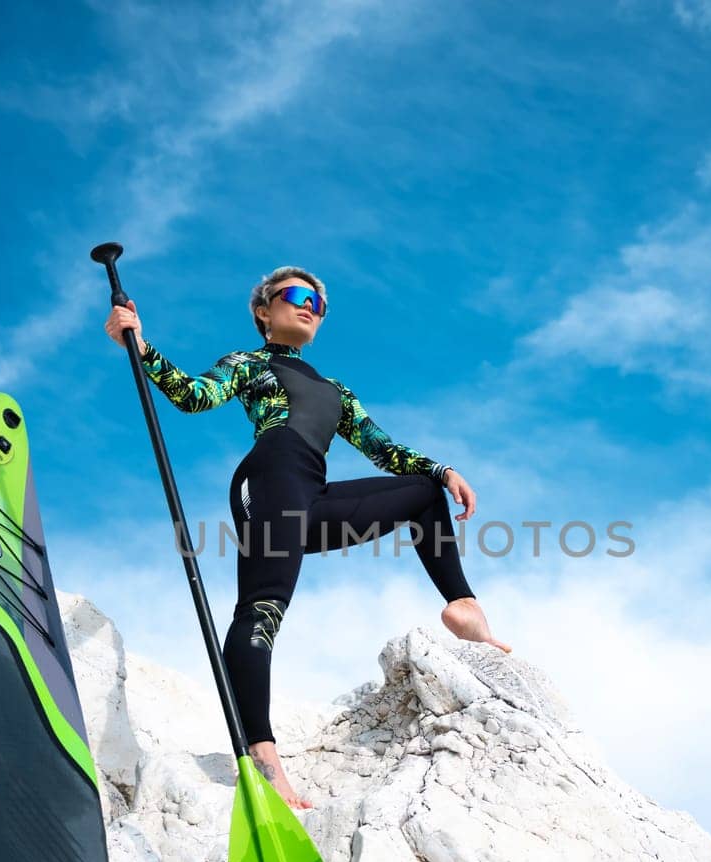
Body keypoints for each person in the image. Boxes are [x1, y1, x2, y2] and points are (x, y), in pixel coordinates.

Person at [104, 266, 511, 809]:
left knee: (420, 494)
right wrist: (139, 343)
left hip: (313, 496)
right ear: (263, 312)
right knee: (262, 611)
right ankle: (264, 756)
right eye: (296, 296)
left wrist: (442, 470)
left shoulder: (335, 391)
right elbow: (193, 396)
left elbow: (383, 450)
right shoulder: (247, 364)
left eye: (319, 304)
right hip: (269, 480)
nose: (310, 307)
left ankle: (462, 604)